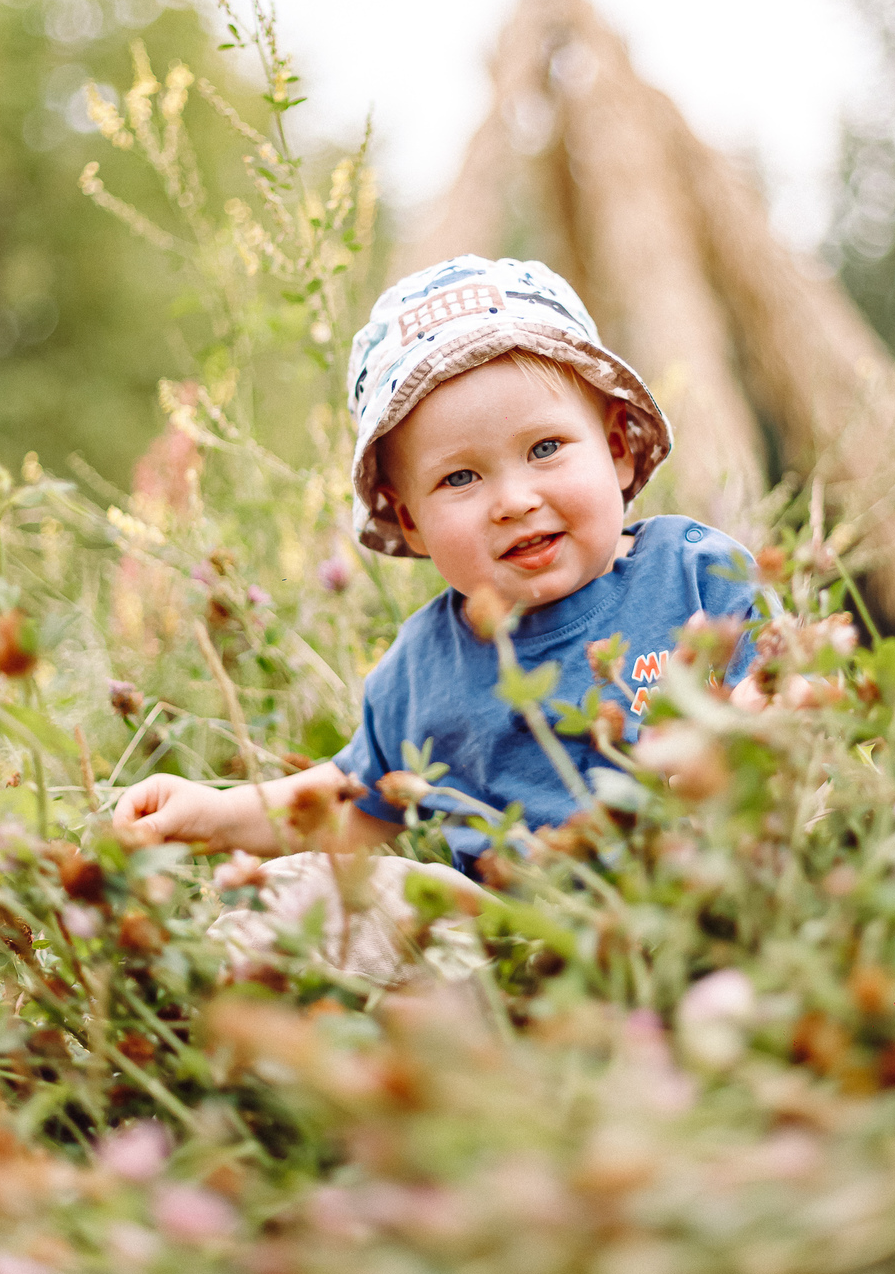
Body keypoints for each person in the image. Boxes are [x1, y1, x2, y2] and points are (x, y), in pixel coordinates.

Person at [113, 255, 757, 864]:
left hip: (701, 889)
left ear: (616, 447)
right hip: (515, 939)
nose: (513, 500)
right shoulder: (428, 668)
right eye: (460, 479)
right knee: (353, 892)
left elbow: (795, 686)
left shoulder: (693, 576)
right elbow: (351, 801)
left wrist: (747, 729)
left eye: (545, 448)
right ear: (409, 520)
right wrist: (216, 815)